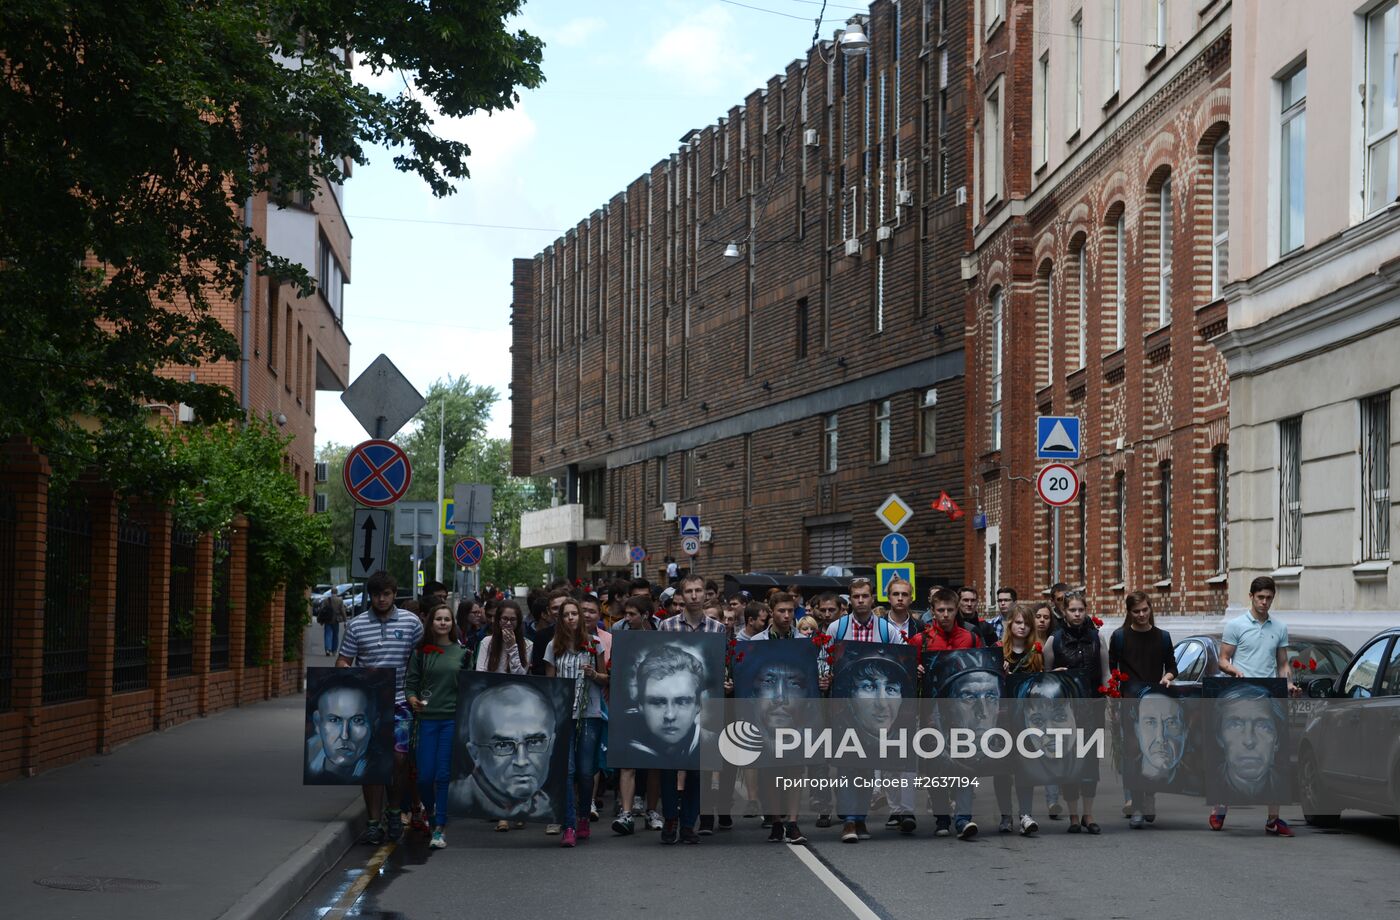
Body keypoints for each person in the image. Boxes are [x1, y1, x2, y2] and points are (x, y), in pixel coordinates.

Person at [337, 571, 424, 845]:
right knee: (372, 764)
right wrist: (352, 675)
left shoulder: (411, 623)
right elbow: (343, 660)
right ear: (370, 596)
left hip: (401, 701)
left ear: (394, 594)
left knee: (399, 759)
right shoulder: (357, 625)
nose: (382, 599)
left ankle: (394, 810)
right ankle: (373, 822)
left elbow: (423, 658)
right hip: (369, 703)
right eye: (377, 594)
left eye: (386, 594)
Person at [1211, 575, 1298, 836]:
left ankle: (1274, 819)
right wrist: (1234, 671)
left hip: (1269, 696)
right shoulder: (1236, 625)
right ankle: (1220, 809)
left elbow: (1282, 663)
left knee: (1275, 756)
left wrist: (1289, 684)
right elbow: (1223, 660)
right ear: (1251, 597)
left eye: (1269, 598)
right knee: (1231, 752)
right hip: (1240, 693)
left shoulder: (1279, 628)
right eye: (1260, 597)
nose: (1264, 602)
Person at [655, 573, 728, 845]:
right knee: (669, 767)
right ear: (681, 596)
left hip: (705, 705)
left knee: (699, 769)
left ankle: (688, 823)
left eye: (699, 591)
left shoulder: (717, 629)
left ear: (706, 594)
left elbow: (720, 666)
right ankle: (670, 818)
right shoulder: (667, 626)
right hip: (674, 704)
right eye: (689, 591)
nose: (695, 596)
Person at [1043, 591, 1110, 834]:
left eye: (1081, 610)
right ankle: (1073, 815)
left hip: (1092, 706)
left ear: (1086, 610)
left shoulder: (1096, 638)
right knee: (1069, 761)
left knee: (1090, 761)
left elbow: (1106, 672)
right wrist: (1055, 676)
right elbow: (1045, 679)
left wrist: (1109, 693)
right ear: (1064, 611)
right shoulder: (1055, 640)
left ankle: (1088, 814)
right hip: (1065, 710)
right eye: (1072, 610)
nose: (1077, 614)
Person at [404, 601, 470, 848]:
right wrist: (412, 700)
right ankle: (430, 813)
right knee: (423, 777)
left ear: (453, 624)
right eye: (438, 619)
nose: (443, 623)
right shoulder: (420, 653)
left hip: (451, 720)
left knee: (443, 775)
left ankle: (440, 827)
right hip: (425, 721)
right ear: (430, 622)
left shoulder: (463, 654)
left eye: (447, 619)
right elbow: (410, 684)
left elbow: (469, 689)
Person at [545, 597, 610, 848]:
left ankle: (584, 815)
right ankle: (569, 825)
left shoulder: (594, 644)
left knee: (585, 772)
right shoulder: (553, 646)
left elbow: (606, 679)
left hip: (589, 713)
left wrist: (594, 674)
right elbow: (551, 685)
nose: (571, 618)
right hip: (564, 716)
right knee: (567, 771)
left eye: (574, 614)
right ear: (560, 619)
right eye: (566, 614)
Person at [1109, 591, 1178, 827]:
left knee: (1151, 752)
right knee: (1132, 755)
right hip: (1129, 702)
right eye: (1136, 611)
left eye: (1145, 610)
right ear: (1129, 612)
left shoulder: (1163, 637)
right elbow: (1112, 673)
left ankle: (1150, 797)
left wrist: (1167, 677)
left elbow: (1172, 667)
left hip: (1154, 701)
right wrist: (1115, 702)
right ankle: (1136, 804)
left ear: (1151, 609)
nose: (1141, 615)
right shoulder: (1119, 637)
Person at [450, 682, 558, 821]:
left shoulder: (548, 807)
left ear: (552, 745)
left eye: (535, 742)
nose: (521, 761)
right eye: (503, 745)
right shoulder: (454, 800)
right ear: (474, 753)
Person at [610, 596, 664, 836]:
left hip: (655, 705)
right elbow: (614, 668)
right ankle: (627, 813)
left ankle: (652, 811)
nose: (627, 618)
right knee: (628, 762)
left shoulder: (661, 633)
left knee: (654, 764)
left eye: (632, 614)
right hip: (627, 703)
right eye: (626, 614)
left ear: (645, 615)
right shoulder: (619, 634)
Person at [997, 603, 1042, 835]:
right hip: (1002, 719)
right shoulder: (998, 651)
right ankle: (1005, 815)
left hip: (1027, 719)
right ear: (1010, 624)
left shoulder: (1036, 653)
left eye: (1026, 623)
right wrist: (999, 671)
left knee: (1026, 767)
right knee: (1002, 768)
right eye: (1018, 623)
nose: (1022, 627)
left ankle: (1026, 813)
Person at [306, 670, 385, 782]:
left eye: (357, 720)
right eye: (334, 720)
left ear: (374, 724)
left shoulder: (380, 767)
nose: (345, 735)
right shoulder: (309, 759)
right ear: (317, 722)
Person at [1028, 600, 1062, 818]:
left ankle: (1053, 801)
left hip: (1048, 704)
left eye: (1046, 617)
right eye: (1038, 617)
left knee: (1051, 751)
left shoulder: (1054, 642)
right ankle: (1025, 807)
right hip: (1028, 704)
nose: (1042, 620)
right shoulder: (1026, 641)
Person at [477, 600, 532, 675]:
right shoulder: (486, 641)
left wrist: (512, 647)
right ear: (499, 620)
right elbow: (480, 672)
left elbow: (520, 677)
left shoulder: (528, 645)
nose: (508, 623)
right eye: (505, 618)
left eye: (513, 619)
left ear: (518, 621)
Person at [318, 586, 347, 656]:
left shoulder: (326, 600)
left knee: (328, 634)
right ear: (336, 592)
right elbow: (342, 611)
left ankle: (328, 649)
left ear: (331, 592)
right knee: (335, 635)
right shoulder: (340, 600)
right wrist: (345, 620)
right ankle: (334, 650)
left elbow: (322, 610)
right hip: (336, 620)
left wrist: (321, 619)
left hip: (328, 619)